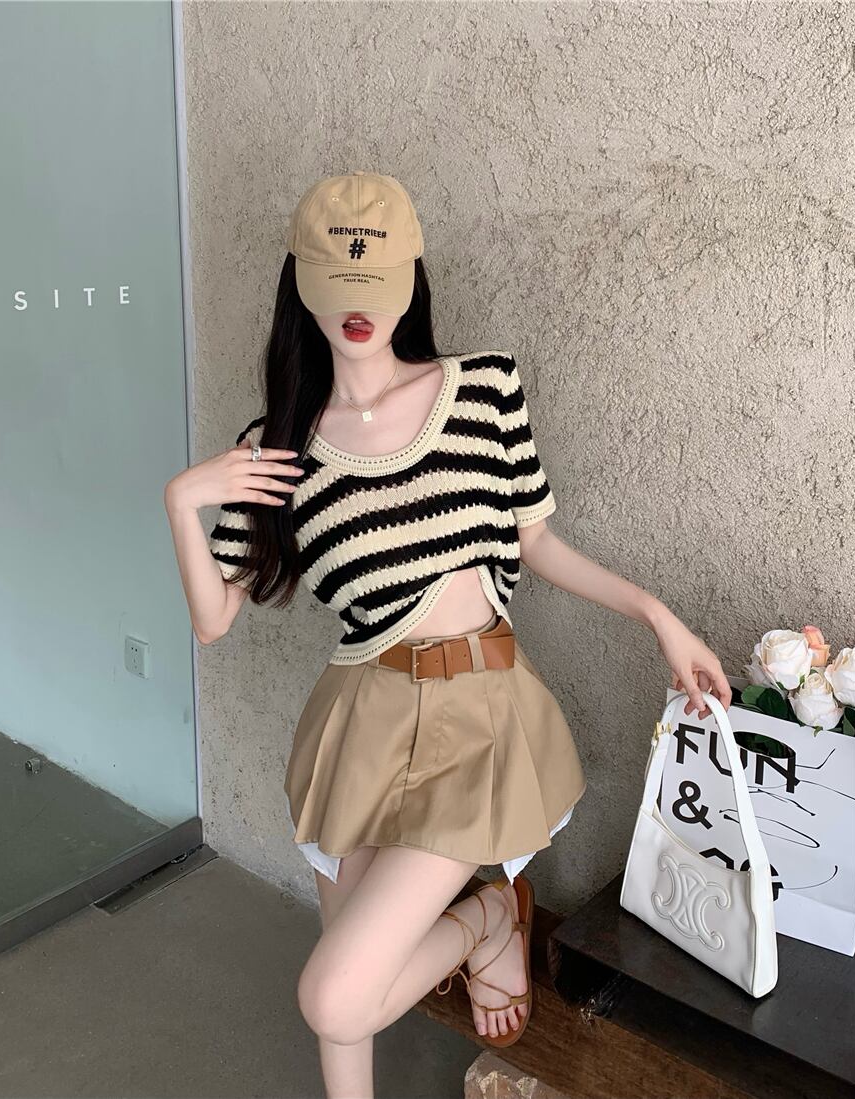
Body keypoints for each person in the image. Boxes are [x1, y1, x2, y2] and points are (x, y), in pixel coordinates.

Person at [164, 171, 731, 1094]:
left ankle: (486, 921)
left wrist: (657, 615)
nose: (360, 309)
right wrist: (182, 498)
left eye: (378, 281)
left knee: (335, 996)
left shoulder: (483, 390)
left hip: (478, 715)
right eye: (338, 284)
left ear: (411, 279)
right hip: (363, 722)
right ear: (302, 283)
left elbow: (538, 543)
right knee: (351, 989)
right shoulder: (279, 448)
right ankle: (488, 922)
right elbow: (213, 618)